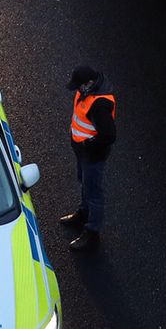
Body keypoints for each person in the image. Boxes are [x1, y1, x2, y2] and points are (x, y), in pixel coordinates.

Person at [59, 64, 116, 251]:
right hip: (82, 151)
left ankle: (92, 232)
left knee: (94, 193)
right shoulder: (86, 92)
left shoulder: (100, 105)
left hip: (92, 155)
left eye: (78, 85)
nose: (76, 89)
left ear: (89, 83)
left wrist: (87, 145)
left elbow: (108, 136)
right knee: (83, 181)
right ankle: (83, 214)